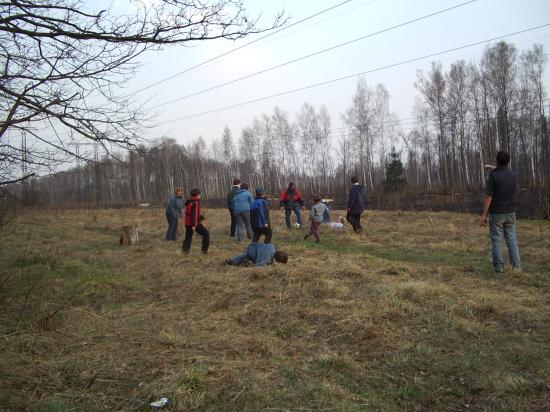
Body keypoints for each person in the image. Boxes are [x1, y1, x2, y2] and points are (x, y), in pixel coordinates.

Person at [480, 151, 521, 273]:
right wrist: (495, 168)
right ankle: (517, 268)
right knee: (512, 240)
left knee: (497, 240)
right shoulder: (513, 175)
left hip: (497, 213)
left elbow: (489, 197)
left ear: (497, 160)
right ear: (508, 161)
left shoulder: (493, 176)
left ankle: (498, 268)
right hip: (511, 213)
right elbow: (502, 172)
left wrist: (484, 215)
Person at [182, 188, 209, 254]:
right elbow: (194, 215)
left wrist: (201, 217)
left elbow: (192, 213)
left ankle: (185, 251)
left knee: (188, 236)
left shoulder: (190, 201)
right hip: (193, 222)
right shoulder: (195, 202)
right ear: (197, 195)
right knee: (206, 234)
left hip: (187, 222)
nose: (200, 195)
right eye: (199, 194)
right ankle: (204, 251)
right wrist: (194, 225)